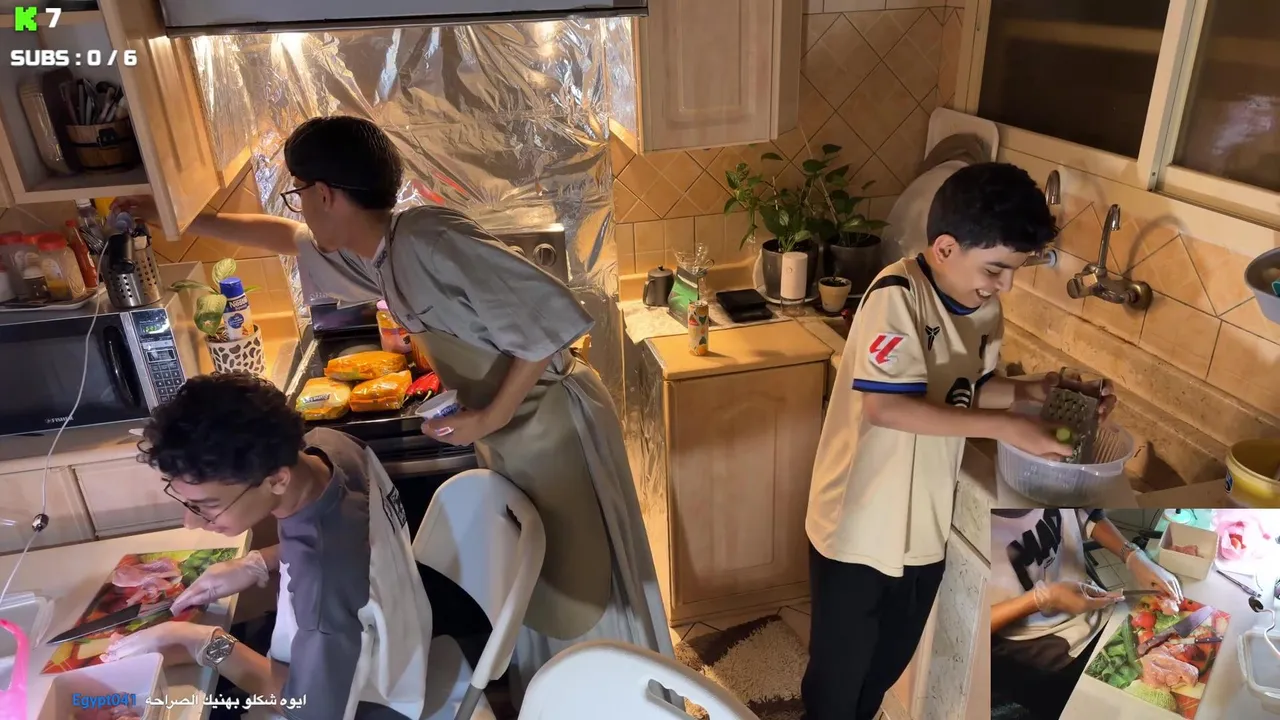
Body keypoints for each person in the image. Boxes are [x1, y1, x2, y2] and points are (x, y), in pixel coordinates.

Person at [113, 115, 670, 694]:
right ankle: (565, 696)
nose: (299, 207)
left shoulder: (427, 240)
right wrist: (182, 220)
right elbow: (286, 238)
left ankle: (629, 698)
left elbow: (551, 314)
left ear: (324, 194)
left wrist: (492, 415)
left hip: (553, 426)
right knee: (547, 584)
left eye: (297, 192)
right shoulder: (385, 253)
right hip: (519, 433)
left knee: (586, 578)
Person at [801, 162, 1117, 720]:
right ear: (945, 248)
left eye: (1014, 270)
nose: (1006, 285)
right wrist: (1005, 425)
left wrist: (1037, 392)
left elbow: (971, 388)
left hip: (921, 532)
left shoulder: (984, 308)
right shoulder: (897, 295)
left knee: (880, 670)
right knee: (836, 684)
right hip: (856, 529)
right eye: (997, 269)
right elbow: (885, 407)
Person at [105, 372, 432, 720]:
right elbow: (352, 539)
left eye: (208, 505)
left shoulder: (324, 589)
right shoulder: (331, 445)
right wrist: (260, 561)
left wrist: (203, 644)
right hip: (393, 641)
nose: (192, 522)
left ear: (277, 480)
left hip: (369, 699)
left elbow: (309, 711)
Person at [990, 509, 1182, 718]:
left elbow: (1084, 513)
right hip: (1039, 648)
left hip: (1095, 610)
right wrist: (1041, 599)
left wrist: (1132, 555)